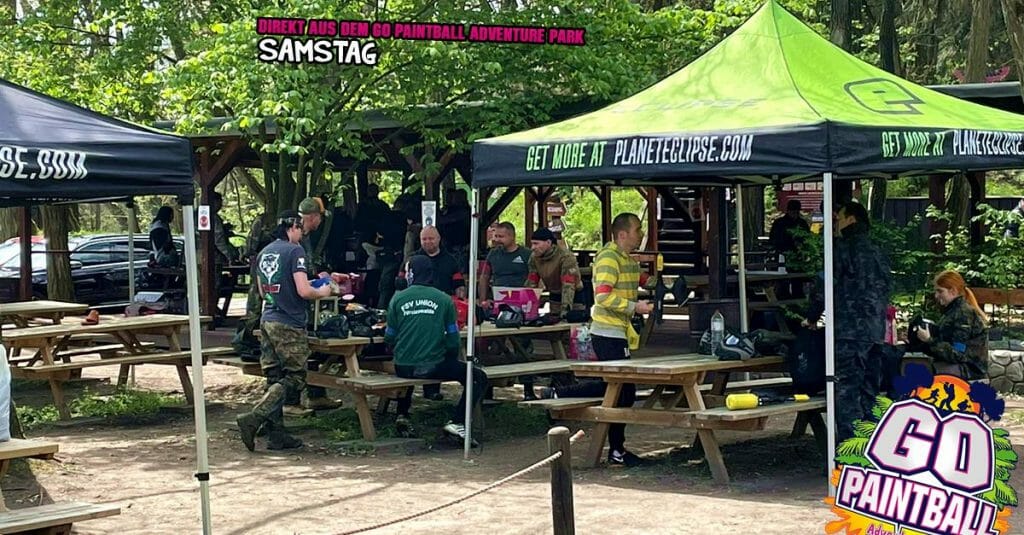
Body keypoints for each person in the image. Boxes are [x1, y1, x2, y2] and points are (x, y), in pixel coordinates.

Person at [541, 213, 653, 467]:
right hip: (607, 332)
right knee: (621, 389)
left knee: (620, 389)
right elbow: (602, 296)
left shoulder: (626, 259)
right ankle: (560, 395)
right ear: (623, 234)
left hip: (619, 331)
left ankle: (616, 449)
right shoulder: (609, 257)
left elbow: (638, 278)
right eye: (637, 229)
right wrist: (635, 307)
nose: (641, 233)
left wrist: (659, 284)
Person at [236, 210, 336, 452]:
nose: (302, 233)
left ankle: (277, 435)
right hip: (289, 322)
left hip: (268, 319)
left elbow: (262, 291)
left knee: (274, 377)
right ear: (293, 227)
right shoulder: (295, 251)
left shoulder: (265, 252)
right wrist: (324, 291)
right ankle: (255, 416)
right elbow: (303, 291)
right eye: (300, 228)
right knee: (295, 377)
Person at [803, 200, 892, 443]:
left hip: (850, 331)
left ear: (851, 219)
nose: (836, 223)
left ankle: (850, 452)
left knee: (847, 393)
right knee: (870, 392)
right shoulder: (878, 250)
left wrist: (811, 317)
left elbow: (825, 286)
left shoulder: (841, 249)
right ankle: (873, 446)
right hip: (876, 332)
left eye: (839, 218)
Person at [385, 255, 488, 443]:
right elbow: (453, 339)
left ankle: (402, 413)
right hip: (434, 365)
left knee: (412, 361)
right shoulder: (444, 299)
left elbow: (389, 336)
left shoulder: (397, 299)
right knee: (478, 377)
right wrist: (449, 357)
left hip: (403, 366)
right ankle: (457, 421)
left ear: (411, 274)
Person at [294, 197, 343, 412]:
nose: (321, 222)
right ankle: (291, 402)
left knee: (312, 346)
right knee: (295, 353)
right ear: (313, 217)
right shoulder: (294, 237)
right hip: (292, 305)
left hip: (304, 300)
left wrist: (320, 276)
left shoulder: (305, 238)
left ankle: (316, 396)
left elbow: (304, 270)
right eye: (320, 217)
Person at [912, 270, 988, 380]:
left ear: (953, 291)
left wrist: (929, 340)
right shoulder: (952, 312)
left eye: (940, 291)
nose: (936, 296)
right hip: (957, 366)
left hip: (969, 369)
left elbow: (957, 353)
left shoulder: (963, 314)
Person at [526, 228, 584, 317]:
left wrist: (565, 310)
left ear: (548, 242)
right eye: (532, 244)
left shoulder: (566, 257)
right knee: (554, 318)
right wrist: (526, 306)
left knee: (571, 320)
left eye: (536, 243)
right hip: (554, 295)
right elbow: (532, 282)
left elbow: (568, 285)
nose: (532, 247)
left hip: (575, 297)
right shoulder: (534, 258)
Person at [478, 221, 531, 303]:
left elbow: (535, 277)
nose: (497, 240)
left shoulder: (526, 254)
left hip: (521, 299)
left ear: (512, 237)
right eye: (496, 236)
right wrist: (483, 300)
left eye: (501, 236)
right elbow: (484, 277)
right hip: (498, 299)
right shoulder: (493, 253)